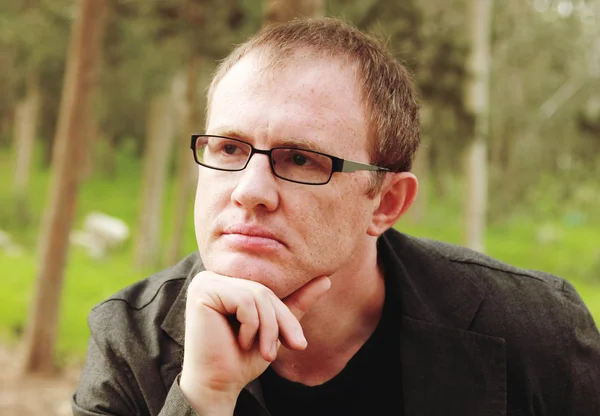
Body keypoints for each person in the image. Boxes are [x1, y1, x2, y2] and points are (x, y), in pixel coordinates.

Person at [72, 17, 600, 416]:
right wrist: (204, 398)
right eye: (230, 149)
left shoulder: (534, 331)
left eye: (299, 159)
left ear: (386, 203)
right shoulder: (130, 341)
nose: (250, 192)